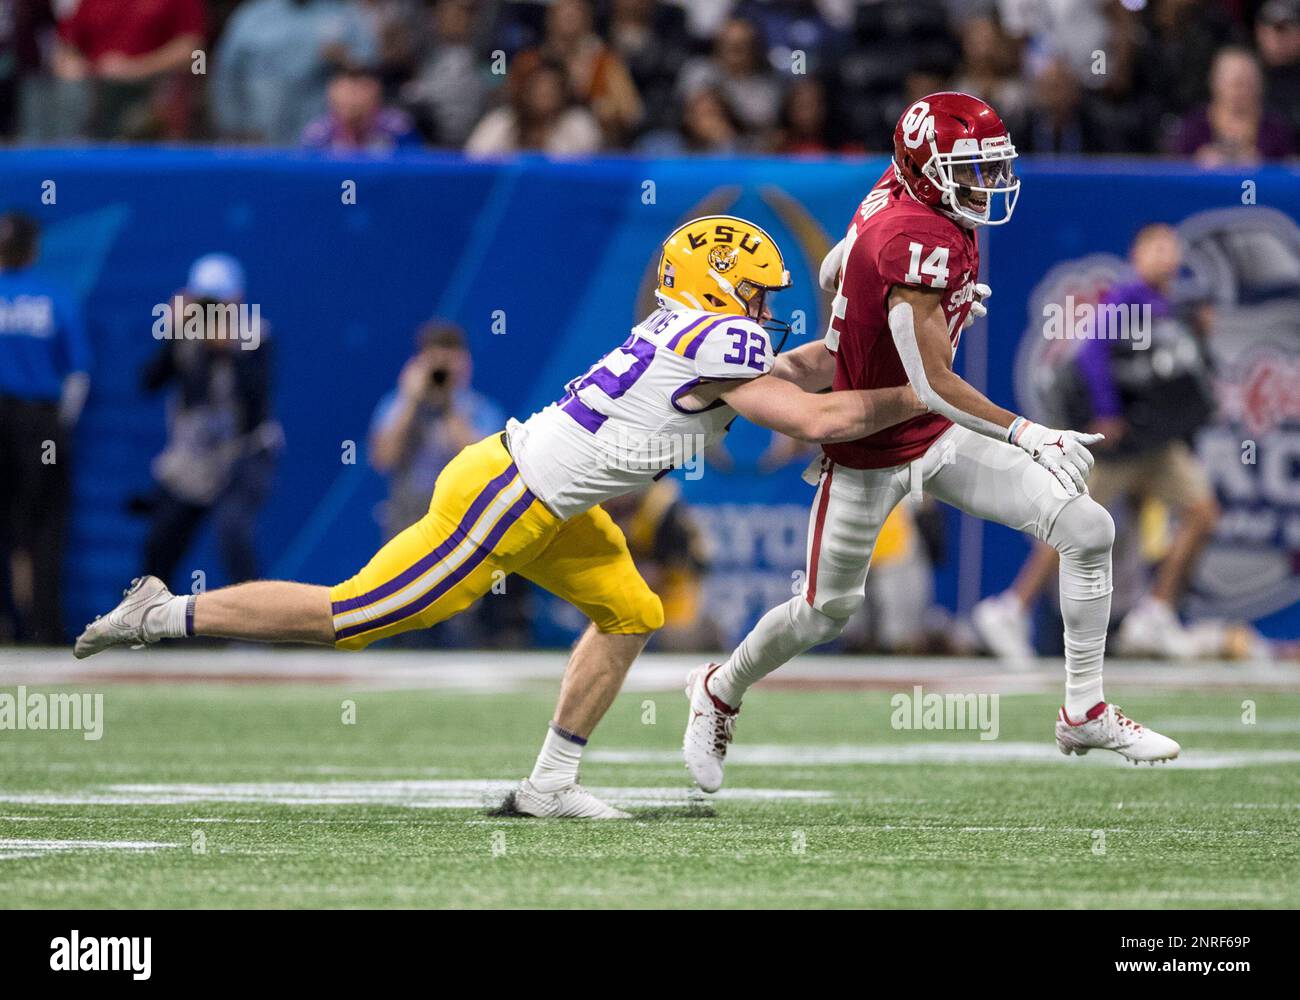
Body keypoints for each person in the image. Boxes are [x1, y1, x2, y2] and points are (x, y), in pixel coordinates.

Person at [75, 215, 926, 820]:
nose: (764, 305)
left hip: (546, 495)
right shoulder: (715, 342)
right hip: (508, 497)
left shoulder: (700, 334)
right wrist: (928, 390)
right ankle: (163, 611)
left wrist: (894, 336)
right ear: (715, 290)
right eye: (753, 290)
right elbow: (822, 417)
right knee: (354, 615)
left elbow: (810, 365)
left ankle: (549, 784)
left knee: (631, 611)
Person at [681, 94, 1182, 797]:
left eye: (988, 167)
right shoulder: (916, 236)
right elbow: (933, 382)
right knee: (827, 610)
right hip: (868, 444)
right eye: (970, 170)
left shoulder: (901, 193)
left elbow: (840, 271)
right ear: (926, 171)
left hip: (937, 439)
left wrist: (921, 301)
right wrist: (1026, 431)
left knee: (1088, 526)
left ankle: (1084, 709)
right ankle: (717, 688)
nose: (985, 184)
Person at [973, 224, 1220, 662]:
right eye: (1156, 247)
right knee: (1068, 522)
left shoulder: (1171, 306)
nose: (1167, 255)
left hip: (1156, 444)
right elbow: (1092, 352)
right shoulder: (1128, 297)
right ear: (1137, 254)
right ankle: (1010, 608)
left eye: (1172, 247)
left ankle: (1156, 613)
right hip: (1119, 445)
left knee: (1202, 512)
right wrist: (1107, 411)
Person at [137, 254, 281, 589]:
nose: (211, 310)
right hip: (193, 459)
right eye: (205, 301)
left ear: (237, 299)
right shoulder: (185, 336)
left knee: (232, 530)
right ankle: (150, 622)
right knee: (161, 540)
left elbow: (257, 402)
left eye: (219, 301)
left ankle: (255, 625)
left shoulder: (256, 333)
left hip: (244, 453)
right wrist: (173, 334)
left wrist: (230, 348)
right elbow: (149, 383)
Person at [0, 212, 89, 644]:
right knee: (46, 525)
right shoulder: (52, 297)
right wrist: (58, 426)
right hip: (39, 422)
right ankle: (43, 626)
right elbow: (77, 375)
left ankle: (16, 623)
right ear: (33, 248)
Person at [300, 67, 421, 152]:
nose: (352, 98)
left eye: (359, 89)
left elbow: (414, 170)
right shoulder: (318, 134)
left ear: (376, 92)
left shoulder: (398, 129)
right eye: (346, 90)